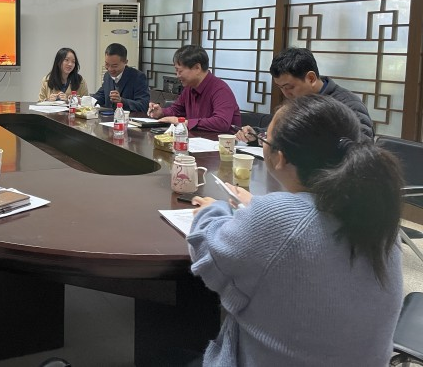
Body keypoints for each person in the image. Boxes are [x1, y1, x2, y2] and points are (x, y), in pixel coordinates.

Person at [188, 95, 403, 366]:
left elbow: (208, 251)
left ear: (279, 157)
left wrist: (213, 209)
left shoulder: (278, 217)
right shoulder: (375, 214)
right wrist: (256, 208)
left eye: (265, 140)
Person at [236, 47, 374, 144]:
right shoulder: (299, 101)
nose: (286, 93)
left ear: (311, 78)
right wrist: (256, 134)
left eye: (289, 87)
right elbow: (282, 132)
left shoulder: (347, 104)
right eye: (281, 88)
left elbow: (362, 147)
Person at [147, 45, 240, 132]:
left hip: (221, 142)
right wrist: (161, 112)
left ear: (197, 68)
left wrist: (184, 123)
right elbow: (177, 110)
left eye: (180, 71)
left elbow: (221, 122)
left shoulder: (220, 89)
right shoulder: (189, 87)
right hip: (196, 139)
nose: (177, 75)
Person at [90, 43, 150, 111]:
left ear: (125, 62)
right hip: (108, 116)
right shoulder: (107, 75)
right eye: (107, 64)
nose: (110, 69)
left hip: (129, 116)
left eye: (114, 66)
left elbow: (143, 106)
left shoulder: (138, 77)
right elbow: (101, 95)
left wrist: (121, 100)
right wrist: (87, 101)